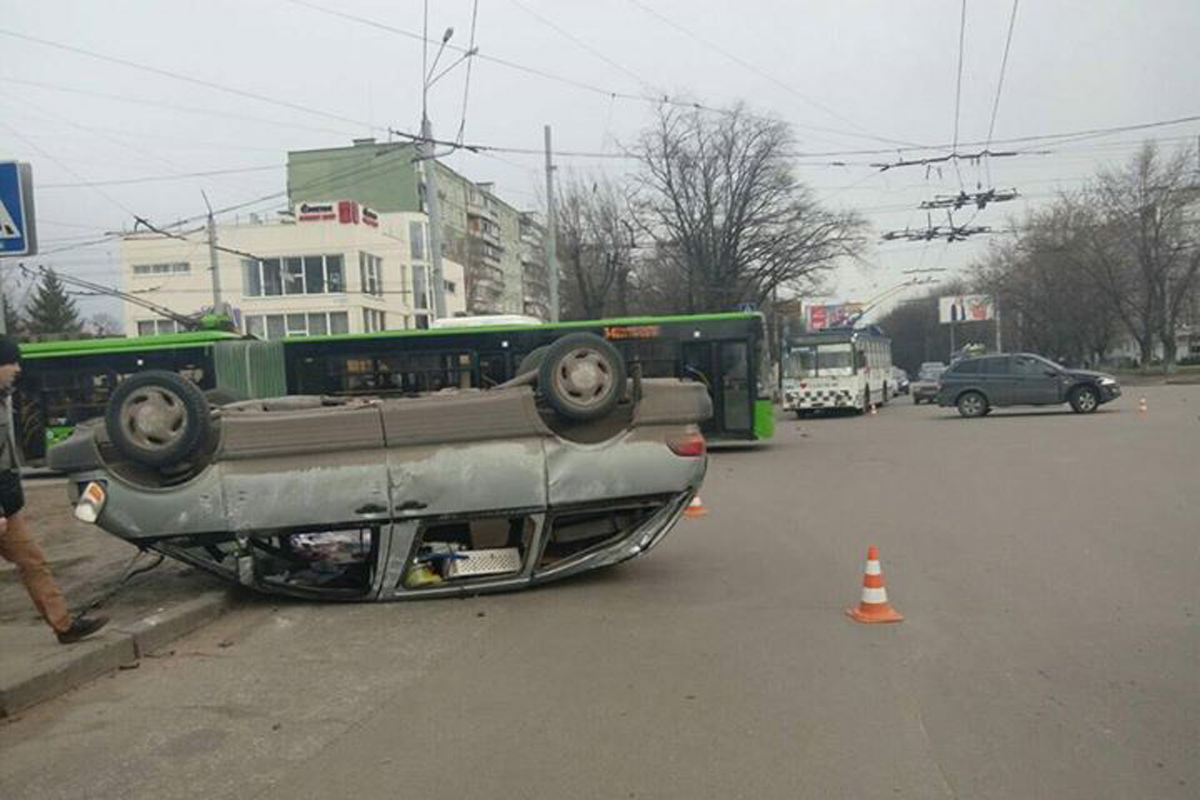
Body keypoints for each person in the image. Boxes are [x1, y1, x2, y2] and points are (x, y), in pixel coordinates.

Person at [0, 335, 107, 644]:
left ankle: (64, 626)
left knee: (33, 562)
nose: (17, 369)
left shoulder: (5, 399)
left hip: (9, 507)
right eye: (11, 362)